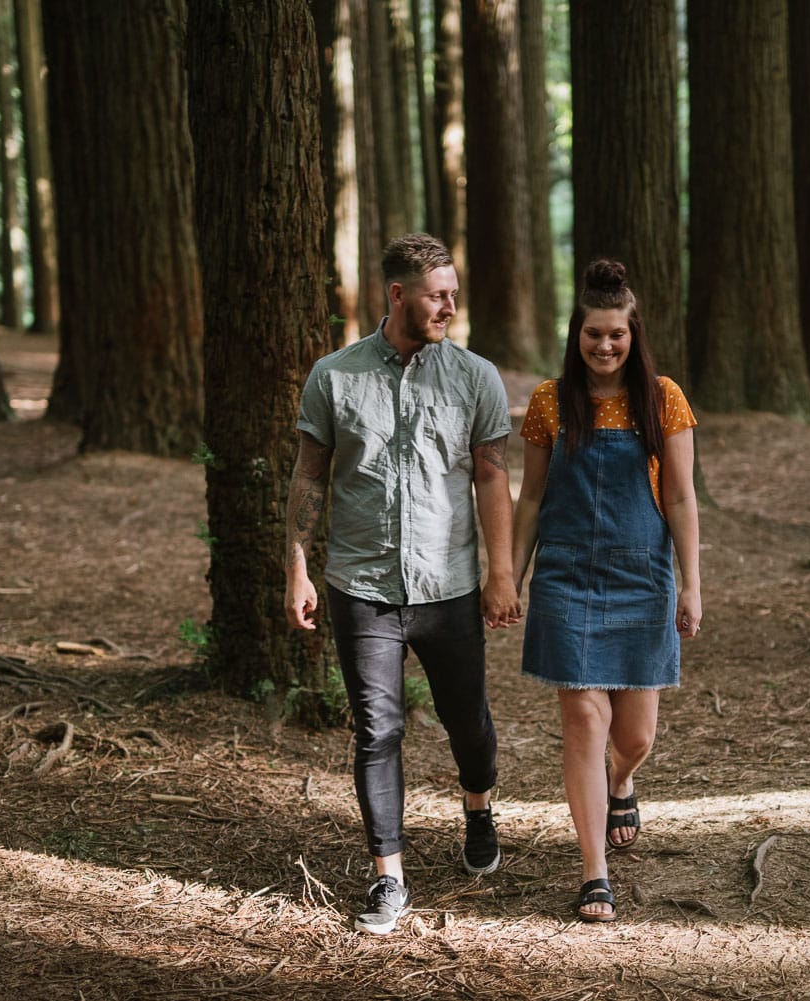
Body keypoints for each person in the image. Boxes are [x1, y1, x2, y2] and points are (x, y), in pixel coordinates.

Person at [284, 233, 522, 935]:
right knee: (376, 730)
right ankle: (390, 876)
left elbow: (491, 476)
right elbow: (308, 476)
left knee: (468, 722)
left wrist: (501, 573)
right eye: (437, 294)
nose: (451, 303)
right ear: (398, 295)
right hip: (360, 584)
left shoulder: (475, 377)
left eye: (453, 291)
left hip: (447, 586)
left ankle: (478, 809)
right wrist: (296, 566)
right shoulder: (335, 376)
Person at [510, 259, 702, 923]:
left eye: (616, 334)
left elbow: (679, 496)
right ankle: (594, 870)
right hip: (565, 576)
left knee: (636, 733)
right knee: (584, 718)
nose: (604, 345)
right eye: (593, 334)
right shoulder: (547, 402)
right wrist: (508, 572)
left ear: (633, 333)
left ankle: (622, 779)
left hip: (642, 576)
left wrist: (691, 586)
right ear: (577, 333)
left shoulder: (664, 398)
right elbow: (531, 497)